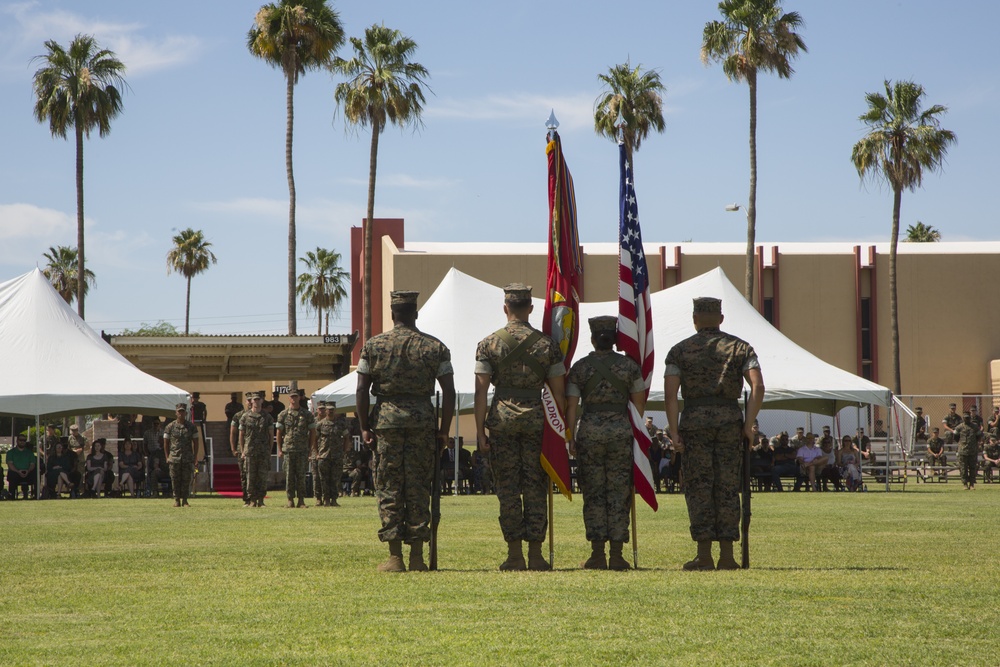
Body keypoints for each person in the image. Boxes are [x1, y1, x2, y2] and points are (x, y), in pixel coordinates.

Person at [356, 290, 456, 573]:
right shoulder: (434, 347)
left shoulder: (374, 346)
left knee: (389, 486)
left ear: (392, 314)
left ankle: (394, 556)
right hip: (423, 423)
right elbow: (448, 391)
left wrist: (364, 426)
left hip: (387, 424)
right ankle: (417, 557)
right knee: (418, 486)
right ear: (415, 313)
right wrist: (444, 430)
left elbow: (362, 389)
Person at [664, 296, 764, 571]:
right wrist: (748, 424)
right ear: (720, 319)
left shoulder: (679, 351)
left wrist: (674, 432)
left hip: (694, 424)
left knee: (699, 488)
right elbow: (758, 387)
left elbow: (671, 396)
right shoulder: (740, 347)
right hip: (730, 424)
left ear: (695, 319)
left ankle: (704, 554)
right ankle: (728, 556)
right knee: (728, 487)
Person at [474, 283, 564, 572]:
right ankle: (536, 554)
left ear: (505, 308)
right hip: (538, 422)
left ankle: (515, 554)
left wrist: (479, 432)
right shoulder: (547, 345)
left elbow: (480, 392)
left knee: (509, 489)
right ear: (531, 308)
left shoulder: (488, 343)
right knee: (536, 486)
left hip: (502, 422)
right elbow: (559, 393)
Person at [565, 316, 645, 570]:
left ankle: (597, 553)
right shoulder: (629, 367)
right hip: (620, 432)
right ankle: (618, 555)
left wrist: (571, 436)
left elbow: (571, 406)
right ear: (615, 339)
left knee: (594, 493)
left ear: (592, 338)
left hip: (589, 433)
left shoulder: (580, 368)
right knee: (619, 493)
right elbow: (639, 403)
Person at [275, 390, 317, 508]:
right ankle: (290, 499)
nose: (294, 399)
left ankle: (301, 500)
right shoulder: (283, 414)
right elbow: (279, 433)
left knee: (301, 475)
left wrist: (310, 448)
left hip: (302, 449)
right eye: (292, 397)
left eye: (296, 397)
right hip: (288, 449)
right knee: (289, 476)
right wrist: (279, 449)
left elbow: (312, 432)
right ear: (289, 398)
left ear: (299, 398)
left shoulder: (307, 414)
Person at [239, 392, 275, 508]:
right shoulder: (245, 417)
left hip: (263, 451)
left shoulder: (267, 417)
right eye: (254, 399)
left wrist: (269, 451)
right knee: (250, 476)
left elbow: (271, 435)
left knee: (262, 476)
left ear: (262, 401)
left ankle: (261, 500)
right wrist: (243, 450)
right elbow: (241, 435)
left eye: (258, 399)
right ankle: (252, 500)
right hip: (250, 451)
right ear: (251, 401)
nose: (256, 401)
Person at [314, 401, 351, 507]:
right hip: (324, 456)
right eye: (328, 409)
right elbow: (314, 439)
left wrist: (343, 451)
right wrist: (316, 453)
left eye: (332, 410)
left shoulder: (340, 424)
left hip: (337, 456)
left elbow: (346, 438)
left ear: (335, 411)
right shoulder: (320, 424)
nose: (330, 411)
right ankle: (325, 499)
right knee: (324, 479)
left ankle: (334, 499)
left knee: (335, 479)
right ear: (325, 411)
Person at [163, 403, 198, 507]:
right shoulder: (170, 427)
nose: (181, 413)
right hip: (174, 457)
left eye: (183, 411)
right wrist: (167, 456)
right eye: (179, 411)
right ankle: (177, 499)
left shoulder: (191, 427)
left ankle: (185, 500)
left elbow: (196, 442)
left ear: (186, 413)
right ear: (176, 413)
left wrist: (195, 457)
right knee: (175, 479)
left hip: (187, 458)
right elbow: (165, 442)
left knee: (186, 479)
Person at [954, 410, 981, 490]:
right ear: (963, 418)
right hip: (963, 451)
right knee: (963, 468)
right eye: (965, 418)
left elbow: (979, 436)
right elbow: (955, 437)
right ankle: (965, 484)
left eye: (968, 418)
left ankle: (972, 484)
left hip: (972, 451)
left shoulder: (975, 427)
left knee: (973, 468)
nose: (967, 419)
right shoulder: (959, 427)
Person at [6, 435, 37, 499]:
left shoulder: (30, 453)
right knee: (11, 474)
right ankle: (11, 495)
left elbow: (32, 464)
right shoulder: (10, 453)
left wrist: (28, 471)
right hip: (15, 473)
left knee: (35, 474)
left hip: (28, 472)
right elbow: (10, 464)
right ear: (17, 441)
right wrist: (18, 471)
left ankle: (36, 495)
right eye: (21, 440)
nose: (22, 442)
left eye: (24, 440)